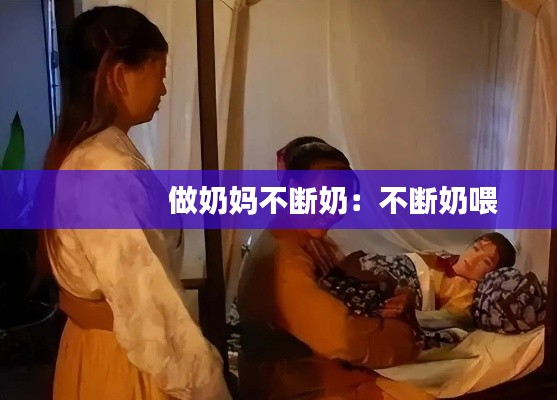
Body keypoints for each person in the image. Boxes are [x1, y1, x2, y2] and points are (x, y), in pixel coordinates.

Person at [40, 6, 228, 400]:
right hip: (129, 361)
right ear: (119, 75)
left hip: (102, 349)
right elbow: (149, 308)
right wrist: (209, 386)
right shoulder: (105, 167)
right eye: (159, 72)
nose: (163, 89)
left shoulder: (90, 156)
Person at [237, 142, 431, 400]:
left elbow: (349, 288)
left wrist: (398, 299)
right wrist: (404, 338)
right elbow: (342, 338)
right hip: (294, 384)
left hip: (320, 372)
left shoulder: (311, 241)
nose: (331, 209)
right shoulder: (283, 255)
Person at [320, 232, 517, 318]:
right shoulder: (443, 256)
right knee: (357, 264)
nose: (473, 258)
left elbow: (444, 319)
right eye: (476, 248)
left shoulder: (467, 292)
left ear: (492, 274)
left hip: (408, 287)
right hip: (394, 265)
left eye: (485, 261)